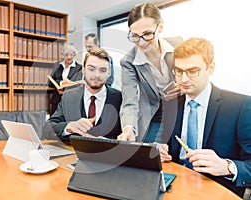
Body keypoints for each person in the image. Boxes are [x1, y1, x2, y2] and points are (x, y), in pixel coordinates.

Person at [160, 37, 251, 198]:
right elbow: (168, 148)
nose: (184, 79)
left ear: (211, 68)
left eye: (193, 71)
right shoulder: (171, 105)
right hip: (176, 186)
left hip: (218, 189)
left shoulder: (240, 105)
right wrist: (159, 152)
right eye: (179, 71)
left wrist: (227, 166)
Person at [117, 3, 182, 142]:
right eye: (135, 36)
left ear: (161, 27)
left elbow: (196, 75)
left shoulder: (178, 45)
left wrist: (182, 86)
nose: (141, 42)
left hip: (182, 108)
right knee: (152, 155)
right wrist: (128, 128)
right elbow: (130, 101)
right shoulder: (128, 62)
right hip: (155, 114)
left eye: (147, 34)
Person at [46, 48, 122, 142]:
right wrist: (69, 127)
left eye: (102, 70)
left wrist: (105, 142)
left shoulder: (120, 98)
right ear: (83, 69)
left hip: (108, 154)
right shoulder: (69, 96)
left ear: (109, 73)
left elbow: (124, 135)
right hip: (73, 153)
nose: (96, 75)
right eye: (91, 69)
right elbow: (47, 129)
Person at [48, 42, 83, 115]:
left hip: (71, 100)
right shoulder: (57, 65)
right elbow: (50, 82)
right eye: (67, 55)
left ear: (74, 54)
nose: (69, 57)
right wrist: (61, 83)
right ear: (63, 55)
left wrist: (66, 89)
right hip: (57, 100)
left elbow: (77, 84)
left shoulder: (79, 68)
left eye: (71, 54)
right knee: (54, 123)